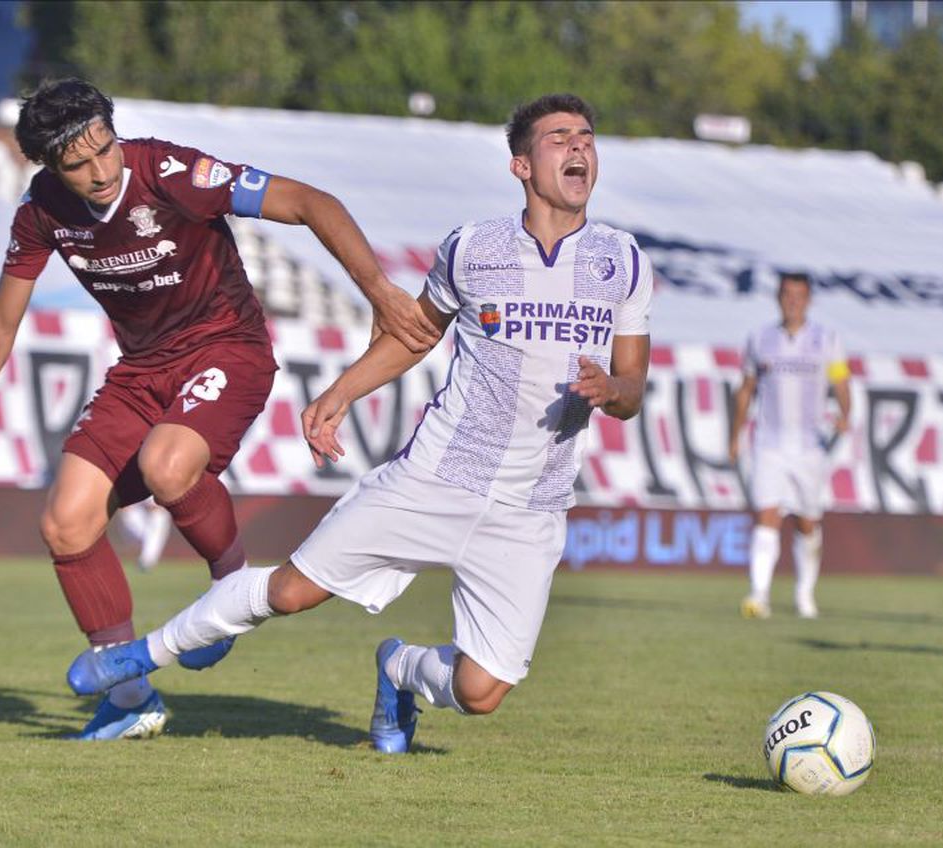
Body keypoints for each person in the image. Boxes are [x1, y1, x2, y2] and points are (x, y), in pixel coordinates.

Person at [64, 93, 653, 753]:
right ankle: (142, 655)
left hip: (530, 507)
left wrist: (613, 390)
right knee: (291, 591)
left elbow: (633, 386)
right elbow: (416, 334)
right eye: (559, 137)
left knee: (481, 692)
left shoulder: (624, 261)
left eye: (586, 137)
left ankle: (399, 669)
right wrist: (341, 393)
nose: (579, 146)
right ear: (521, 165)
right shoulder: (473, 248)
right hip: (437, 477)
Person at [0, 78, 438, 741]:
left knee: (168, 466)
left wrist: (379, 292)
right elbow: (1, 323)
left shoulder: (169, 171)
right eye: (78, 164)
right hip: (141, 371)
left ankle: (230, 587)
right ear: (48, 166)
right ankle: (129, 697)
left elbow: (312, 202)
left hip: (229, 349)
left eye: (106, 149)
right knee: (66, 523)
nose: (101, 171)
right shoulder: (40, 212)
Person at [728, 271, 851, 620]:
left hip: (810, 446)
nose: (793, 302)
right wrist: (735, 435)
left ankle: (804, 594)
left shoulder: (827, 340)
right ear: (778, 298)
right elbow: (746, 390)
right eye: (787, 295)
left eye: (799, 296)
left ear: (809, 300)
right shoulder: (760, 339)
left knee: (806, 522)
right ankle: (758, 595)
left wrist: (845, 414)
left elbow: (841, 382)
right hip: (769, 443)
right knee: (766, 514)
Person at [116, 498, 173, 572]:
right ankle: (146, 559)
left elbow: (156, 507)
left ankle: (147, 560)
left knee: (159, 518)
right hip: (135, 506)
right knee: (151, 534)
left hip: (154, 508)